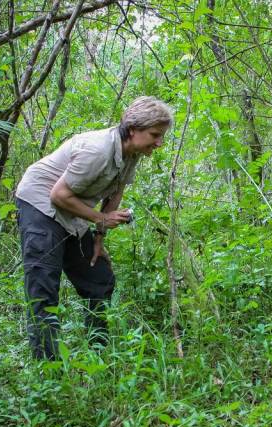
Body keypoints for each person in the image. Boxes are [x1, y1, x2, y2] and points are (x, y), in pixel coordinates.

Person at [15, 96, 173, 360]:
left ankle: (97, 355)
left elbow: (115, 194)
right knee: (43, 290)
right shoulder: (97, 150)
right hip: (40, 205)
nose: (159, 143)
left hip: (72, 211)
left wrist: (99, 239)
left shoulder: (132, 153)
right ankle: (48, 371)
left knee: (99, 277)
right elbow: (58, 195)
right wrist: (99, 219)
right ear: (133, 129)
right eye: (155, 135)